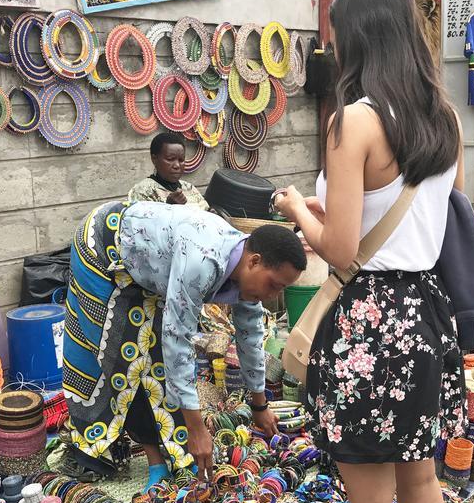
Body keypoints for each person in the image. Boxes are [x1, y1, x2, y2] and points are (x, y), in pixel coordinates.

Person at [275, 0, 466, 503]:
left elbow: (342, 249)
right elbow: (430, 222)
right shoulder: (441, 119)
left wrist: (299, 208)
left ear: (354, 34)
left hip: (369, 326)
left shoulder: (353, 119)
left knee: (371, 499)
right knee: (419, 480)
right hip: (425, 311)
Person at [62, 201, 306, 487]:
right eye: (274, 285)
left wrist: (259, 405)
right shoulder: (201, 263)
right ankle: (154, 459)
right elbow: (177, 343)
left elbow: (250, 337)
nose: (272, 295)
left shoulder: (244, 269)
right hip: (102, 249)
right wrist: (197, 428)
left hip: (147, 264)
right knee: (122, 355)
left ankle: (177, 453)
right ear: (254, 261)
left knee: (155, 354)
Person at [128, 132, 209, 208]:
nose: (177, 165)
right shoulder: (143, 191)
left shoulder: (189, 188)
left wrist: (213, 213)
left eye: (181, 160)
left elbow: (206, 213)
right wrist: (169, 207)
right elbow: (140, 221)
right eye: (170, 159)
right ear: (154, 159)